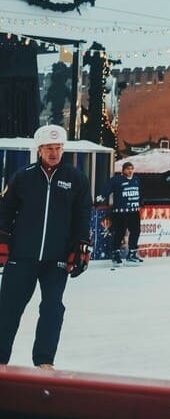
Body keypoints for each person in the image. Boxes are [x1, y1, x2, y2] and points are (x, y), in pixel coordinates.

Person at [0, 124, 92, 369]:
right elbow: (5, 211)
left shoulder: (76, 179)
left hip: (57, 257)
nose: (54, 152)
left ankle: (44, 361)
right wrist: (2, 241)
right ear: (39, 149)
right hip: (22, 255)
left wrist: (81, 246)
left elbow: (83, 216)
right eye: (49, 148)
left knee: (53, 309)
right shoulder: (23, 176)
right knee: (8, 308)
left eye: (58, 148)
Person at [98, 161, 143, 265]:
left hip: (134, 211)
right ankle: (115, 254)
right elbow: (106, 190)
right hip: (120, 212)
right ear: (123, 170)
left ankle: (132, 254)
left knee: (136, 231)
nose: (130, 171)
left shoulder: (136, 180)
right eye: (128, 169)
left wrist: (141, 202)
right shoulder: (116, 180)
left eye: (132, 168)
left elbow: (140, 192)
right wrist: (99, 199)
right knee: (119, 233)